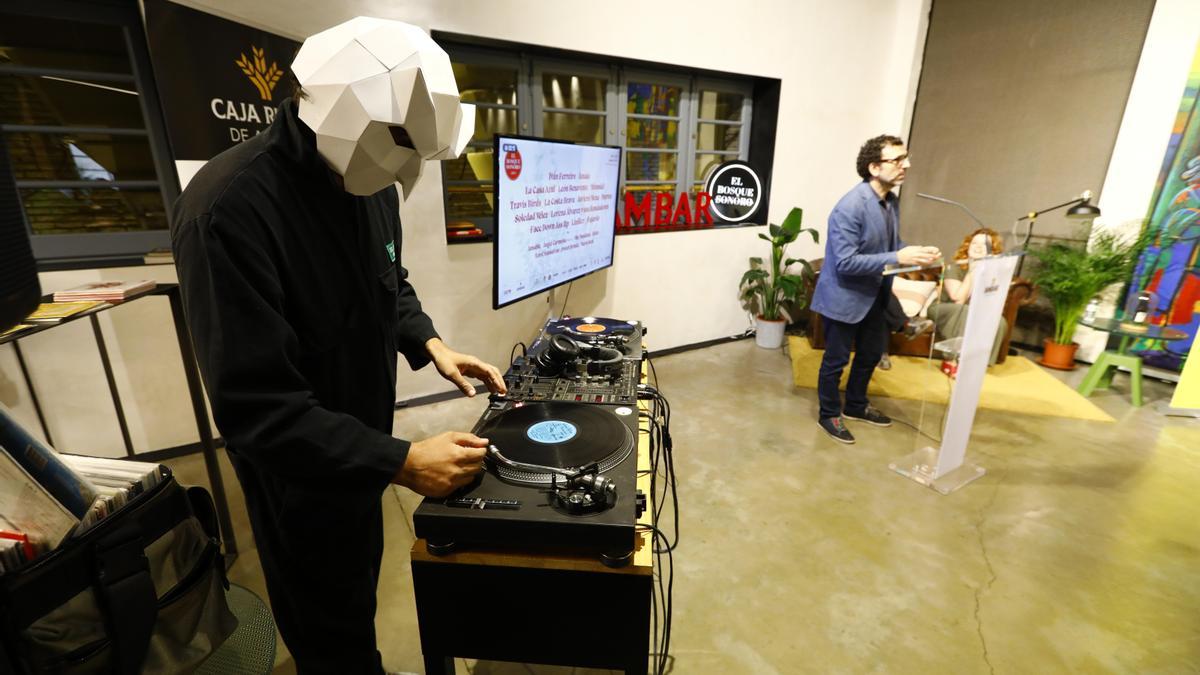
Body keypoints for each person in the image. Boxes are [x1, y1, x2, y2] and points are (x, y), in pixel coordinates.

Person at [171, 18, 505, 674]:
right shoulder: (227, 208)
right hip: (299, 478)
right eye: (404, 142)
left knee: (356, 595)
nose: (406, 170)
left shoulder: (369, 181)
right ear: (338, 103)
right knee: (329, 630)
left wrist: (429, 340)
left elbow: (388, 279)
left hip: (363, 450)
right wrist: (403, 460)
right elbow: (256, 409)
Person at [810, 134, 940, 444]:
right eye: (897, 160)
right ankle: (829, 414)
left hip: (875, 295)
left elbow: (889, 244)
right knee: (836, 360)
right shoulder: (849, 208)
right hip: (844, 295)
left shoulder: (890, 201)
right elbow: (845, 263)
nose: (905, 165)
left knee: (869, 355)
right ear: (874, 167)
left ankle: (855, 405)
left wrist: (915, 252)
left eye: (905, 158)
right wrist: (898, 257)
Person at [928, 228, 1009, 365]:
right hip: (944, 309)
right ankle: (954, 358)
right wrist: (973, 270)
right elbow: (958, 299)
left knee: (999, 320)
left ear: (992, 250)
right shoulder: (953, 268)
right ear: (968, 246)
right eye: (974, 243)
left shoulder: (992, 274)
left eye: (984, 245)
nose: (978, 247)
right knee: (965, 311)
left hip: (973, 311)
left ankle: (982, 363)